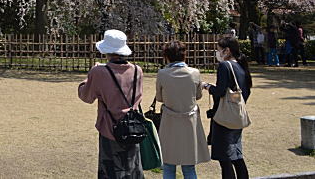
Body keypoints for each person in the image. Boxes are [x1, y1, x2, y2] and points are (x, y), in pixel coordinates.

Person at [78, 29, 144, 179]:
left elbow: (86, 96)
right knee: (132, 170)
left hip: (110, 127)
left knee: (110, 171)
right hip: (133, 126)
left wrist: (89, 77)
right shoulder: (137, 70)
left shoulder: (99, 72)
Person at [156, 40, 210, 179]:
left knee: (168, 165)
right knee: (189, 166)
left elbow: (160, 98)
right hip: (190, 122)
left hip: (169, 121)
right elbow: (198, 96)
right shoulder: (195, 73)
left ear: (166, 56)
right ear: (184, 55)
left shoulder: (162, 73)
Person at [203, 36, 252, 179]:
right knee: (236, 155)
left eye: (219, 50)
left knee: (225, 159)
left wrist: (207, 86)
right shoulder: (241, 66)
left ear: (227, 51)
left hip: (223, 118)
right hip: (237, 116)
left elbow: (220, 91)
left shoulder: (225, 66)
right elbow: (246, 92)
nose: (217, 53)